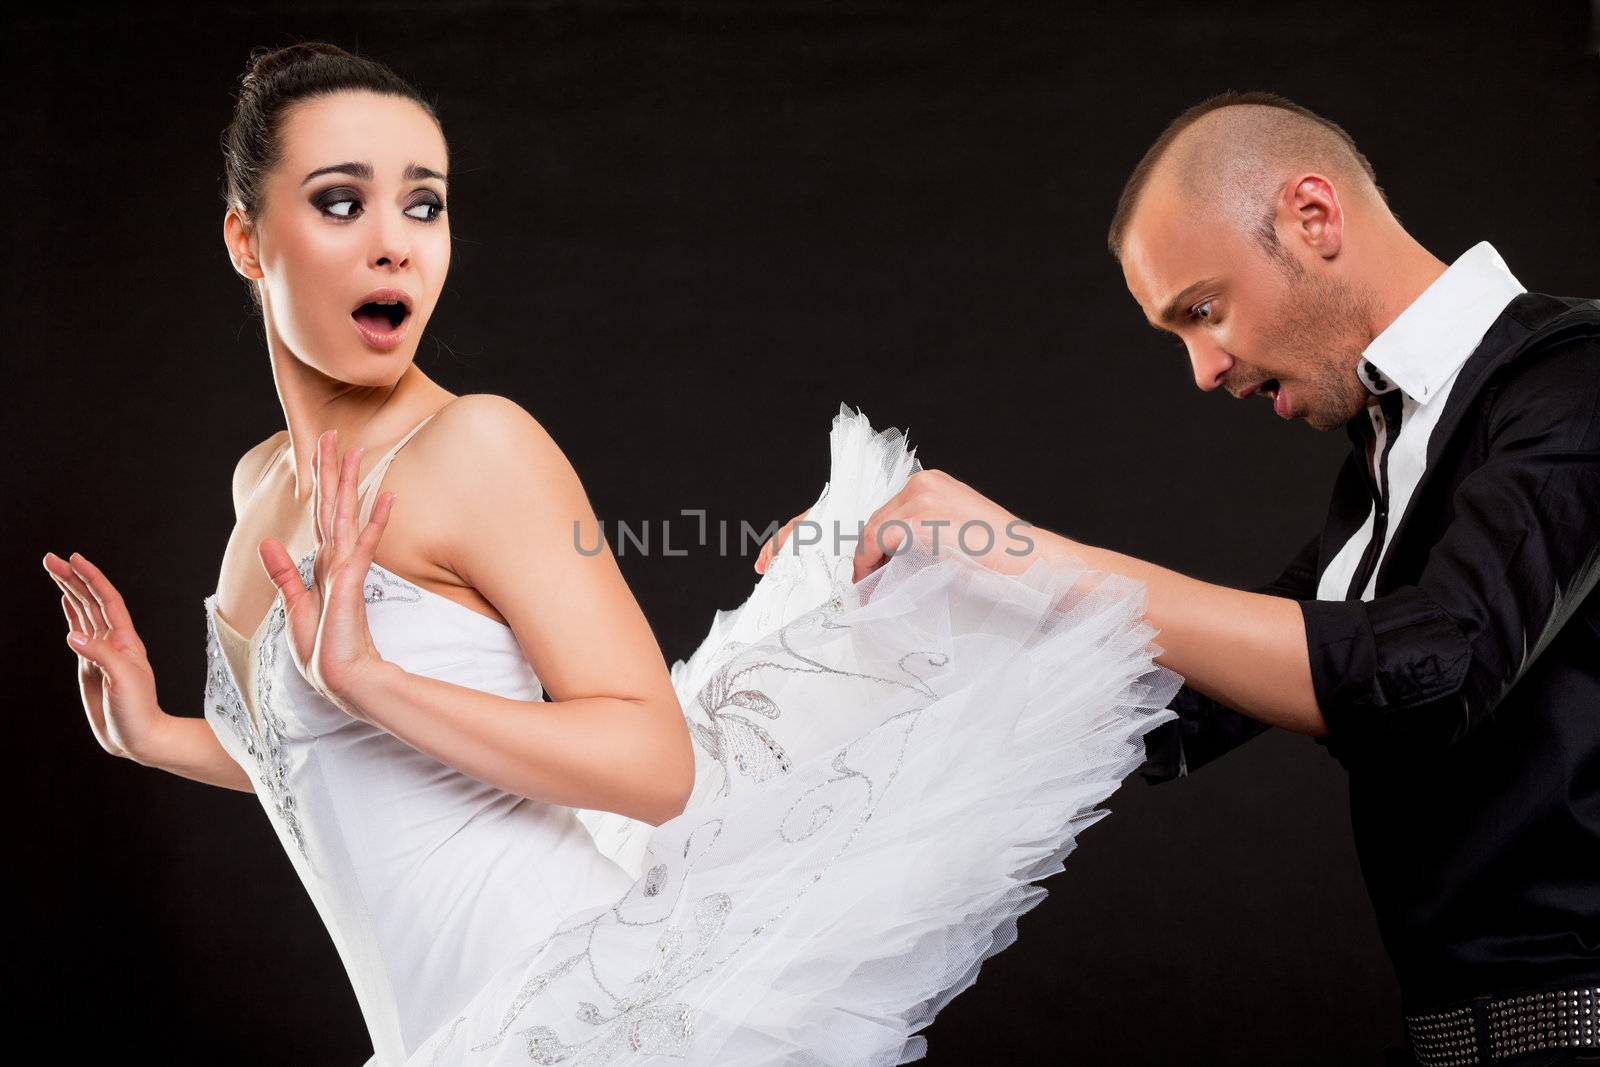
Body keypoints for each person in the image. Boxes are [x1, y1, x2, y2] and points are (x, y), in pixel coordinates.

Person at [40, 42, 1185, 1065]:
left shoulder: (476, 445)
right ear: (247, 238)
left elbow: (652, 760)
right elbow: (333, 760)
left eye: (424, 205)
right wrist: (160, 738)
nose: (394, 243)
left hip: (569, 1011)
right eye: (341, 203)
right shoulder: (261, 483)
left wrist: (374, 679)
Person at [761, 91, 1600, 1065]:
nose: (1203, 369)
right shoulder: (1385, 455)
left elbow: (1430, 668)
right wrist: (901, 611)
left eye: (1202, 309)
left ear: (1312, 216)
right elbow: (1176, 702)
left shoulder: (1574, 378)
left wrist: (1018, 548)